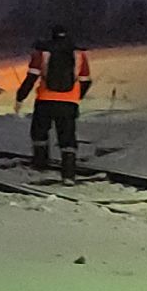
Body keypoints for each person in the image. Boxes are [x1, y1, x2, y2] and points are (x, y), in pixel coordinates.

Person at [13, 24, 93, 182]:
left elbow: (31, 77)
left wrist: (20, 97)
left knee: (39, 131)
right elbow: (86, 80)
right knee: (67, 135)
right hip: (69, 102)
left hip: (45, 100)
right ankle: (69, 173)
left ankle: (40, 165)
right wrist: (77, 96)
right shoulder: (79, 54)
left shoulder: (42, 53)